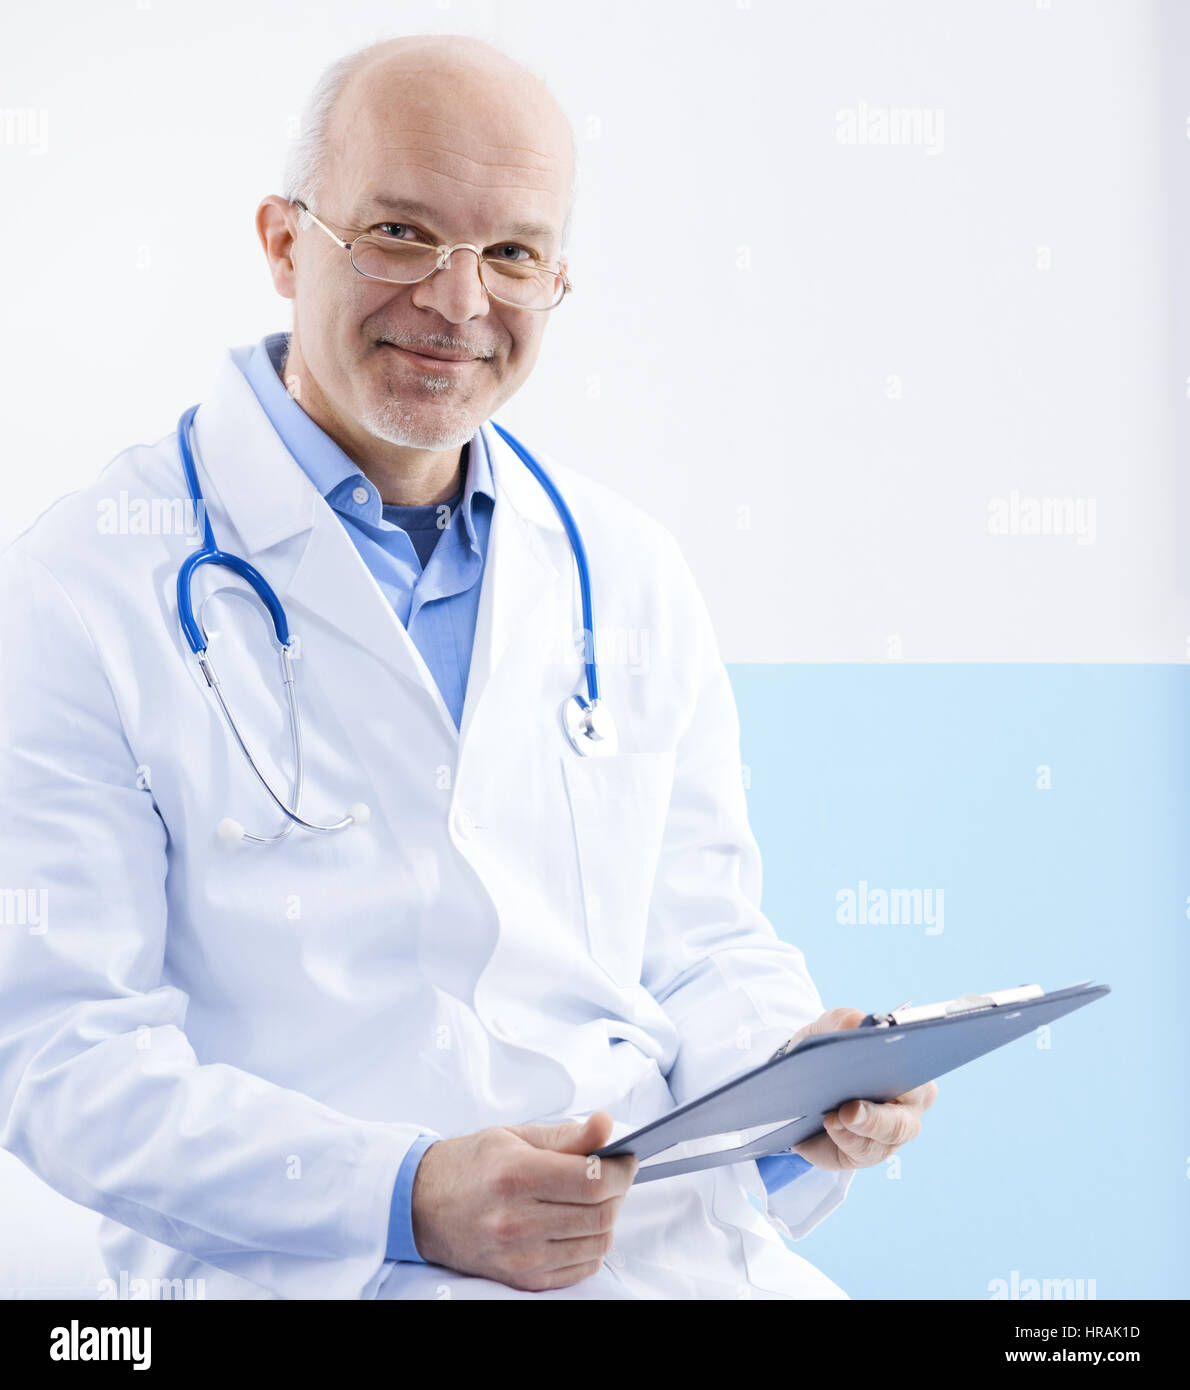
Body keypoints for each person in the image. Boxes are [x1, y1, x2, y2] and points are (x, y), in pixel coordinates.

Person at [0, 33, 936, 1301]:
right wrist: (406, 1193)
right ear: (283, 242)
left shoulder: (624, 566)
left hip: (659, 1253)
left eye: (510, 253)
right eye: (398, 234)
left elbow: (703, 946)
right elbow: (59, 1051)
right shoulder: (91, 579)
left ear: (557, 277)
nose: (458, 303)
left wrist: (793, 1080)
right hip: (328, 1269)